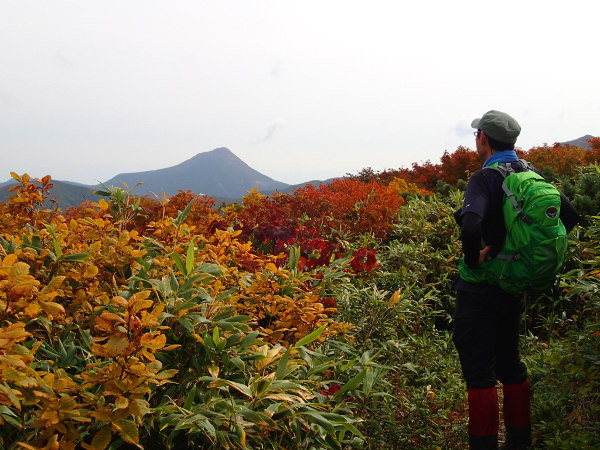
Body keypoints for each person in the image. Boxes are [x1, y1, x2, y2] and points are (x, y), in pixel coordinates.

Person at [452, 110, 579, 449]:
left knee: (479, 374)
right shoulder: (530, 172)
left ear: (483, 138)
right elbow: (569, 215)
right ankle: (519, 442)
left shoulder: (485, 178)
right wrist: (523, 255)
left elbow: (471, 225)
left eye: (476, 134)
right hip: (513, 287)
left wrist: (474, 259)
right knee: (510, 362)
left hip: (478, 290)